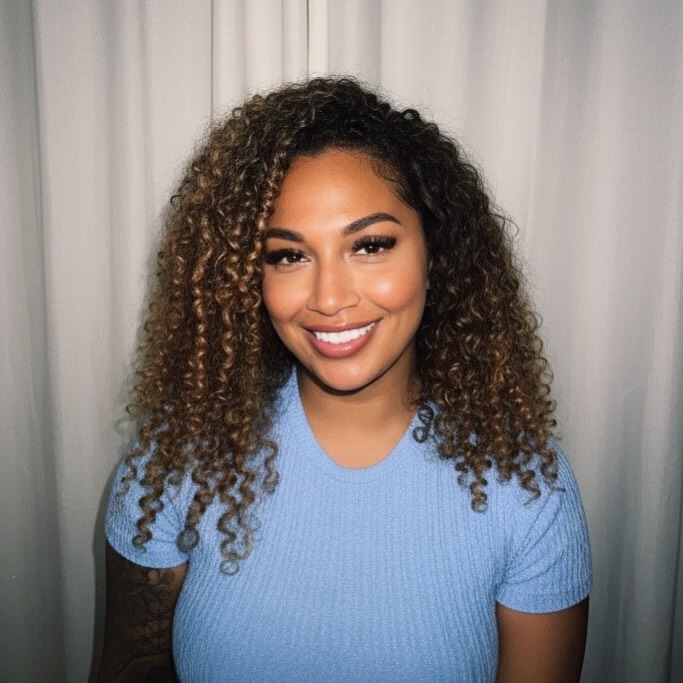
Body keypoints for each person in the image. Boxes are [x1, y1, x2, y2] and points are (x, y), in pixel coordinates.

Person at [98, 76, 591, 683]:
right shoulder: (177, 459)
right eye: (289, 255)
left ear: (435, 255)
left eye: (370, 245)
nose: (329, 298)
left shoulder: (528, 486)